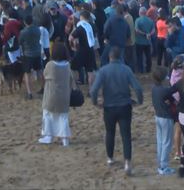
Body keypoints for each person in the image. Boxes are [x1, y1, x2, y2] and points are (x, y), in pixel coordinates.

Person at [90, 46, 143, 175]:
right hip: (125, 105)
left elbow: (94, 90)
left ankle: (110, 158)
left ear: (109, 57)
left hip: (109, 107)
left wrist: (95, 102)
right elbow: (138, 88)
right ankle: (127, 163)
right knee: (126, 135)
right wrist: (139, 101)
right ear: (121, 57)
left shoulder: (103, 71)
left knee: (110, 132)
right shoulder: (126, 69)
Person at [39, 44, 75, 146]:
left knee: (48, 114)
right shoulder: (67, 65)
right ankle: (65, 139)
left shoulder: (51, 65)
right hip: (64, 96)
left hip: (51, 95)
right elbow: (70, 79)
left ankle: (48, 136)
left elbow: (45, 75)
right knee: (63, 117)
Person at [151, 66, 176, 175]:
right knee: (166, 142)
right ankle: (163, 166)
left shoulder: (154, 89)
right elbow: (173, 99)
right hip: (166, 118)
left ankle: (160, 163)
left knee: (160, 141)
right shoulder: (164, 90)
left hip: (158, 116)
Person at [69, 10, 97, 86]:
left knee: (73, 67)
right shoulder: (92, 25)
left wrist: (73, 46)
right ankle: (91, 90)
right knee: (90, 71)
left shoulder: (81, 27)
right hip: (91, 50)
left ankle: (74, 87)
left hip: (81, 51)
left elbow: (71, 37)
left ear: (81, 17)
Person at [20, 14, 42, 100]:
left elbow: (20, 41)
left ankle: (29, 93)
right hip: (37, 52)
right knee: (39, 71)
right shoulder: (37, 30)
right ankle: (43, 88)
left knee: (27, 73)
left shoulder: (23, 32)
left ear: (25, 22)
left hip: (28, 54)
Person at [170, 54, 184, 161]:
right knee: (182, 130)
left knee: (178, 130)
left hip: (174, 104)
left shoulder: (173, 73)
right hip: (182, 104)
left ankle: (177, 151)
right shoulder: (183, 76)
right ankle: (180, 151)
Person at [135, 7, 155, 74]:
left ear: (140, 13)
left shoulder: (137, 20)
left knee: (140, 56)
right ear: (146, 12)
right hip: (148, 42)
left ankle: (141, 69)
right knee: (148, 56)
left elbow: (137, 30)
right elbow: (153, 30)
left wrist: (144, 34)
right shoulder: (150, 20)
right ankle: (148, 69)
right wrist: (149, 34)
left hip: (139, 41)